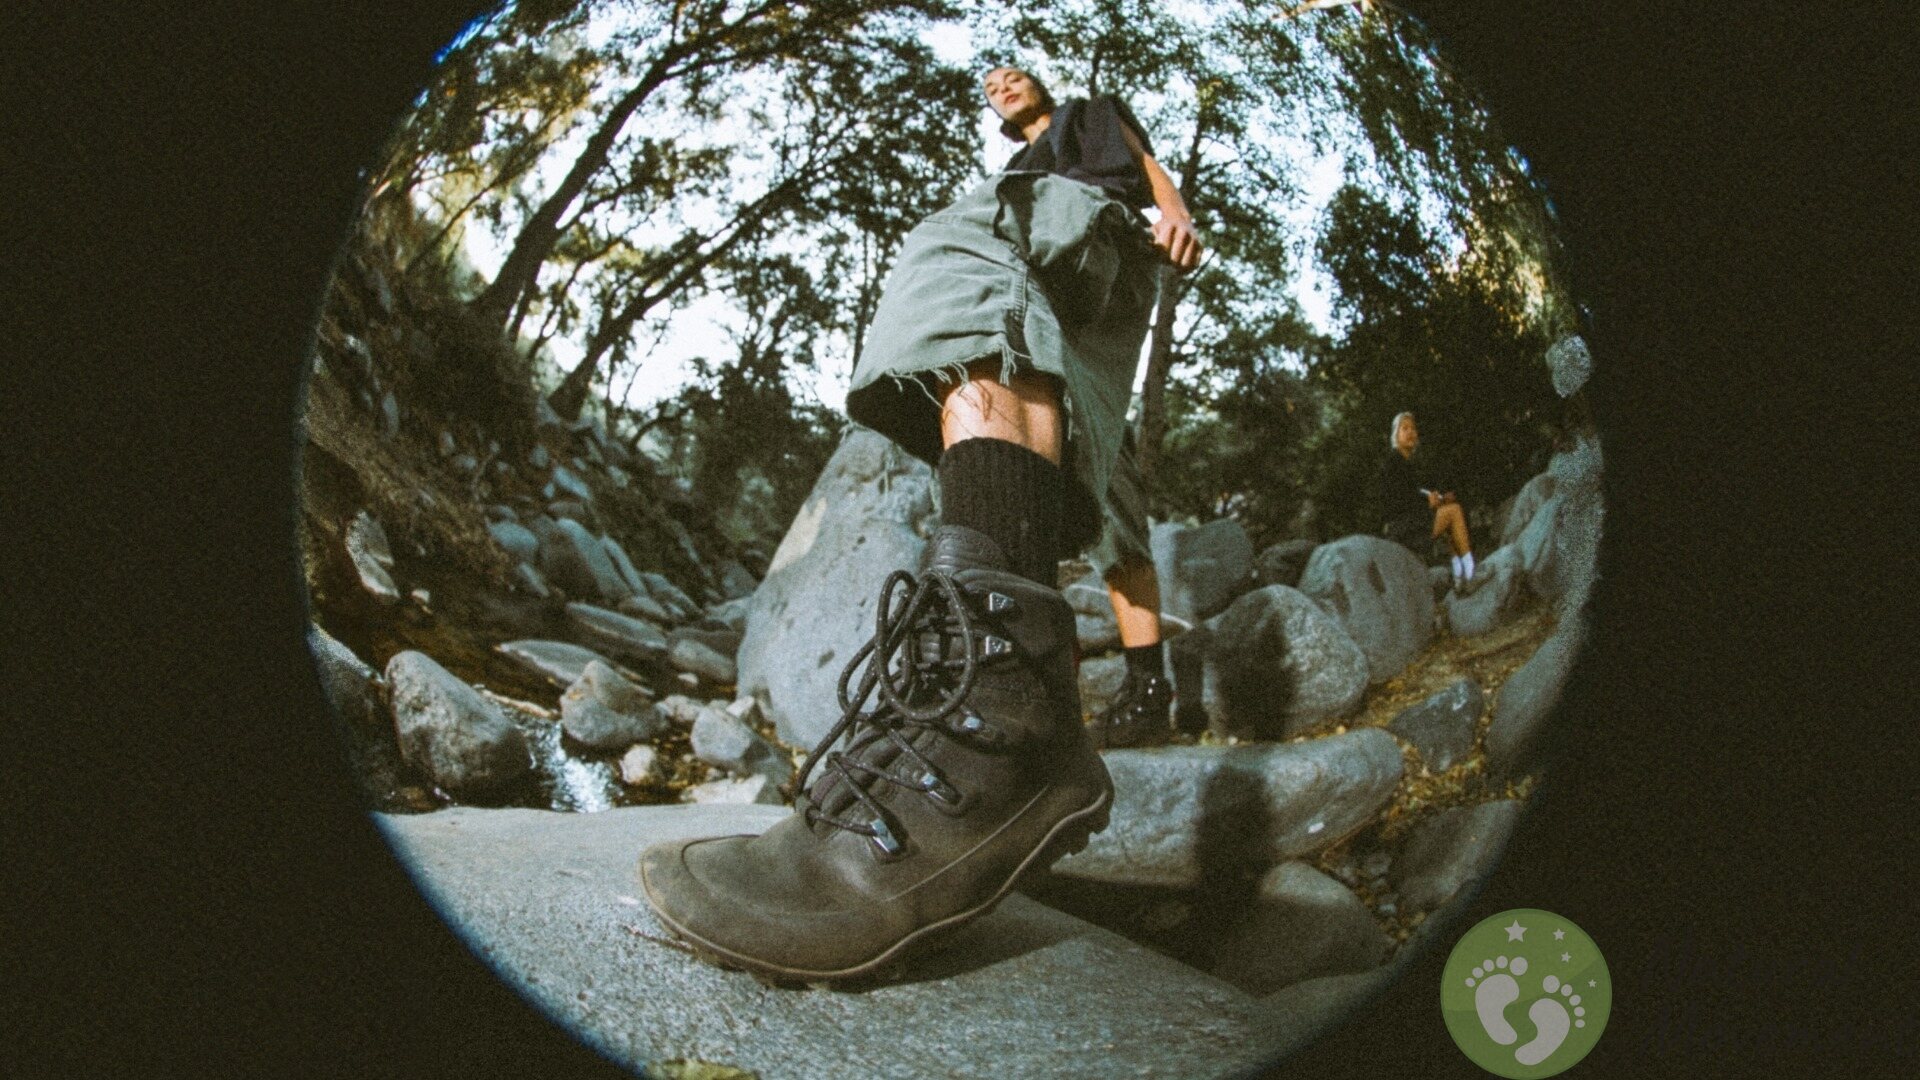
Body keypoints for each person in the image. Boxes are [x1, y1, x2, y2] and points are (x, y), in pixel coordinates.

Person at [638, 65, 1204, 982]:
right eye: (989, 84)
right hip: (1077, 256)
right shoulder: (1018, 168)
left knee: (955, 264)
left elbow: (1144, 163)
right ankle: (1008, 712)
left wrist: (1173, 210)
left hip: (1085, 224)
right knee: (1025, 380)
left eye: (1013, 73)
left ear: (1042, 86)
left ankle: (1008, 715)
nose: (1000, 83)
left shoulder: (1088, 121)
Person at [1381, 411, 1475, 587]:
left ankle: (1459, 573)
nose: (1410, 432)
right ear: (1396, 435)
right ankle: (1470, 573)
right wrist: (1428, 502)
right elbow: (1398, 502)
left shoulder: (1404, 462)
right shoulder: (1393, 462)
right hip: (1402, 530)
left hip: (1409, 524)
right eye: (1405, 429)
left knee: (1449, 509)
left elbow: (1414, 493)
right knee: (1454, 512)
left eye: (1413, 429)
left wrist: (1438, 499)